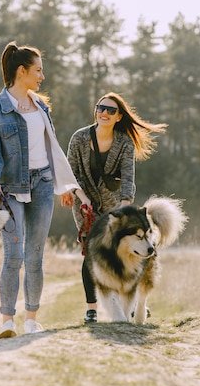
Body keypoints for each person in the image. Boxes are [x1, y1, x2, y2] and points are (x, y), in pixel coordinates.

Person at [0, 41, 81, 338]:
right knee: (14, 256)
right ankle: (7, 320)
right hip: (10, 189)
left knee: (35, 255)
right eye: (38, 70)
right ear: (22, 71)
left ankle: (31, 319)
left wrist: (64, 186)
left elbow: (51, 149)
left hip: (44, 185)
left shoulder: (41, 107)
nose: (42, 76)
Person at [61, 92, 167, 323]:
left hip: (115, 206)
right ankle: (91, 307)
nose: (104, 113)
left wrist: (125, 206)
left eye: (111, 110)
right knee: (91, 252)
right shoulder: (78, 138)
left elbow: (128, 176)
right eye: (101, 108)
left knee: (123, 253)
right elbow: (71, 173)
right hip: (85, 204)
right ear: (96, 110)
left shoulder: (124, 142)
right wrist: (81, 197)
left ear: (119, 117)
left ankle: (126, 302)